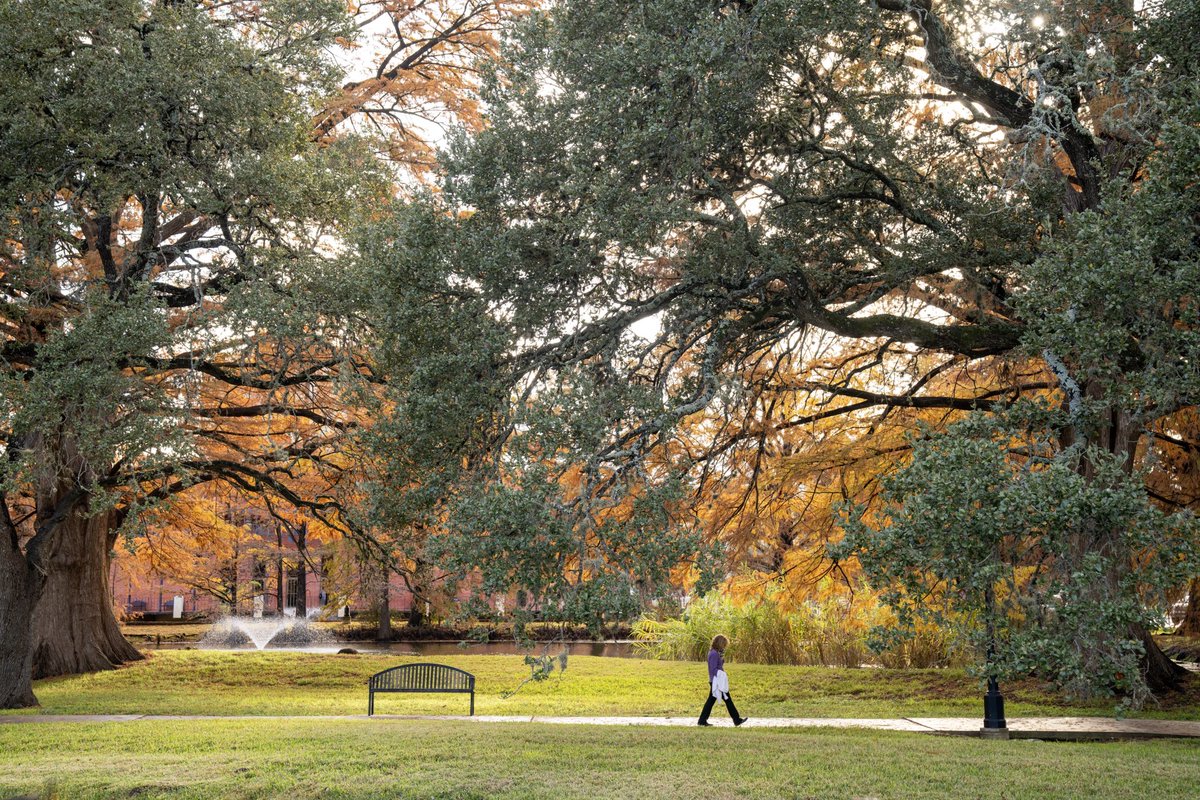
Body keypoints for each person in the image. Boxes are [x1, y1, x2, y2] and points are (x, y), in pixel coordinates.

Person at [697, 633, 748, 727]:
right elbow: (713, 669)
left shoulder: (716, 653)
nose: (724, 646)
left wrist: (721, 658)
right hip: (717, 681)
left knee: (713, 700)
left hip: (716, 680)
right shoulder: (713, 654)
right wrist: (722, 675)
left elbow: (718, 665)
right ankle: (736, 720)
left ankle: (702, 720)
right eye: (723, 644)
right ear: (719, 643)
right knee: (726, 699)